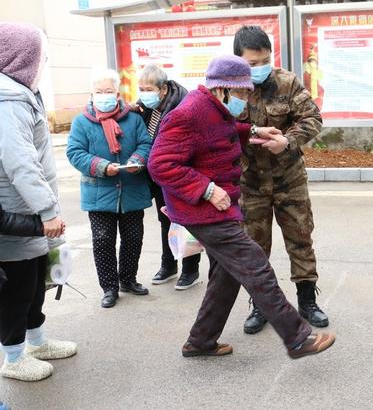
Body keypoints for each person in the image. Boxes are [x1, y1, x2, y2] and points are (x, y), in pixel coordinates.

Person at [148, 54, 335, 359]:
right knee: (256, 265)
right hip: (204, 212)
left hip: (215, 209)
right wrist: (207, 190)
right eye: (242, 93)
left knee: (227, 275)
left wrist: (254, 131)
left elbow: (221, 130)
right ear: (222, 88)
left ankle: (201, 341)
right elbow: (159, 164)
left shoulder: (213, 107)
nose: (246, 99)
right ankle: (297, 338)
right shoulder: (190, 112)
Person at [233, 26, 329, 334]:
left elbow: (313, 119)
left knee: (300, 239)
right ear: (238, 60)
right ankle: (260, 305)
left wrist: (287, 140)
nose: (259, 68)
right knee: (254, 248)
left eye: (265, 60)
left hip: (289, 179)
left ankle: (307, 302)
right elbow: (219, 129)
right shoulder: (231, 90)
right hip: (250, 183)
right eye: (252, 63)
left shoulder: (286, 82)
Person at [0, 22, 77, 382]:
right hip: (17, 211)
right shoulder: (8, 100)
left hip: (28, 209)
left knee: (33, 286)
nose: (43, 63)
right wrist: (47, 211)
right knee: (18, 290)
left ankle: (37, 341)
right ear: (22, 58)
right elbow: (21, 164)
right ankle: (14, 358)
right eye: (40, 56)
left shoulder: (22, 92)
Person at [66, 68, 152, 309]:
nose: (104, 95)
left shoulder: (133, 119)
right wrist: (102, 166)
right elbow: (75, 153)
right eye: (99, 91)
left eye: (109, 91)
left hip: (132, 190)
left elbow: (146, 144)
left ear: (117, 93)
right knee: (103, 240)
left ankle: (128, 279)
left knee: (133, 238)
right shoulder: (82, 121)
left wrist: (137, 159)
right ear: (91, 94)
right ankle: (109, 287)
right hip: (98, 192)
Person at [133, 64, 202, 290]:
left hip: (181, 172)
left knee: (185, 220)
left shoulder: (183, 103)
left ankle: (190, 269)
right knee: (166, 220)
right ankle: (169, 264)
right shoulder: (146, 107)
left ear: (162, 89)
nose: (144, 93)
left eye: (148, 88)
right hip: (159, 175)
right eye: (141, 88)